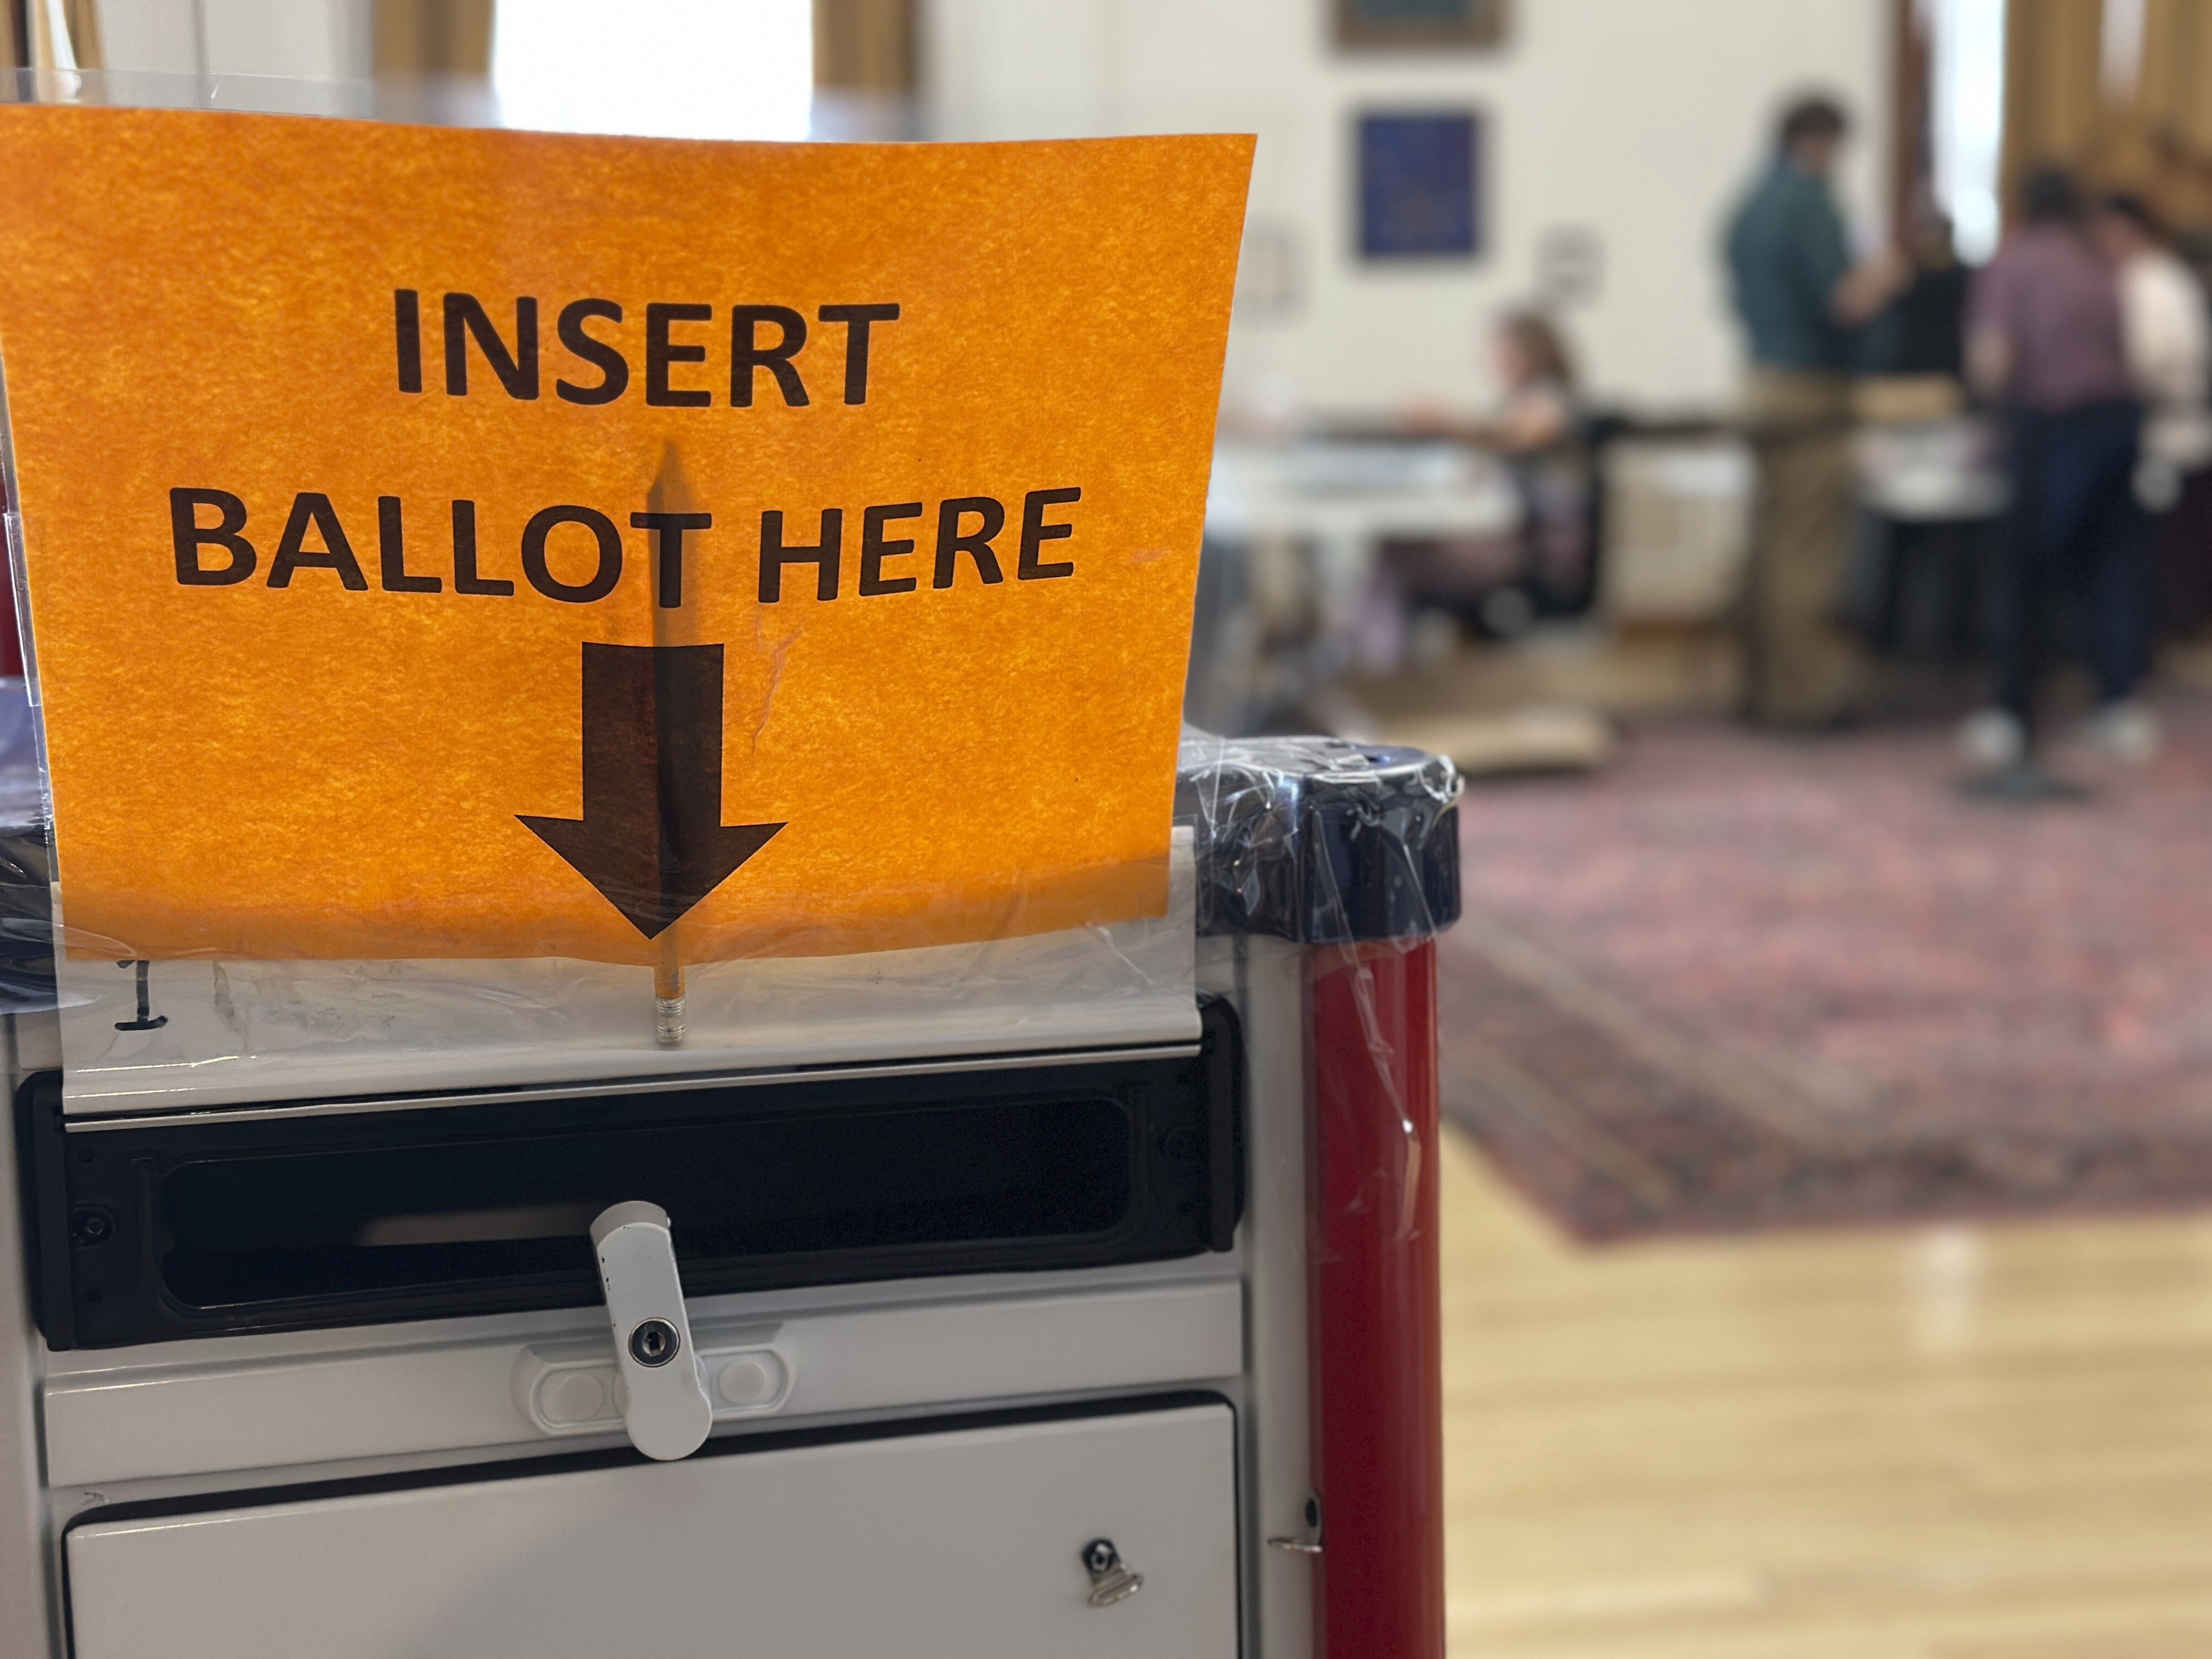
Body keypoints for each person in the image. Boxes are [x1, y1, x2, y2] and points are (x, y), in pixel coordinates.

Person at [1723, 95, 1908, 727]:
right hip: (1810, 390)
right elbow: (1843, 301)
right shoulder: (1807, 203)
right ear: (1819, 141)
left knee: (1770, 544)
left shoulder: (1749, 205)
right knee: (1807, 553)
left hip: (1760, 382)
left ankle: (1762, 686)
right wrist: (1888, 274)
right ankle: (1805, 696)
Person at [1962, 166, 2154, 772]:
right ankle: (2117, 705)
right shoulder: (2102, 264)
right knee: (2113, 567)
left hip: (2055, 426)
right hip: (2121, 422)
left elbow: (1992, 364)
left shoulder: (2015, 265)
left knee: (2027, 569)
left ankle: (2013, 713)